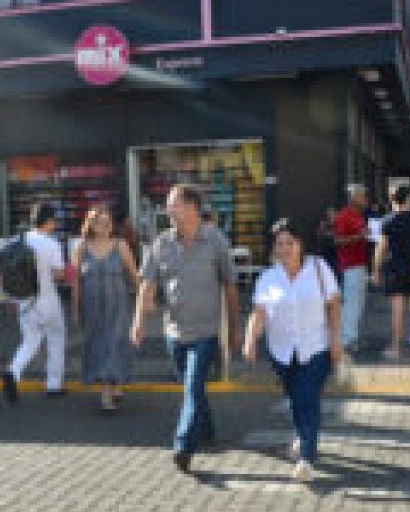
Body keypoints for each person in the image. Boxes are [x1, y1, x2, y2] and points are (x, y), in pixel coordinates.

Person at [131, 184, 240, 474]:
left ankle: (183, 446)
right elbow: (147, 285)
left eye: (174, 204)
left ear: (193, 208)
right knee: (193, 388)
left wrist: (234, 330)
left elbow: (230, 287)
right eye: (168, 204)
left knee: (192, 387)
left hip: (206, 333)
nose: (168, 209)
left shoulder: (216, 240)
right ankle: (207, 429)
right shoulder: (160, 244)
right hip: (174, 333)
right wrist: (138, 321)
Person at [243, 219, 342, 482]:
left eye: (291, 242)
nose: (285, 248)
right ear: (274, 248)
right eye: (280, 244)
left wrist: (335, 340)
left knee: (308, 400)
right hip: (282, 352)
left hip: (316, 347)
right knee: (296, 401)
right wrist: (250, 339)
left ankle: (306, 458)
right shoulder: (267, 278)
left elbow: (334, 305)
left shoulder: (319, 268)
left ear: (301, 245)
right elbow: (259, 313)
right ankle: (303, 436)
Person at [72, 207, 140, 411]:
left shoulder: (121, 245)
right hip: (91, 306)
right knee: (98, 345)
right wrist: (76, 309)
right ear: (91, 225)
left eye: (108, 222)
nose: (105, 226)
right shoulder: (81, 247)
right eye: (100, 222)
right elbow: (75, 281)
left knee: (114, 344)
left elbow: (134, 275)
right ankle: (112, 385)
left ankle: (107, 393)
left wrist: (144, 301)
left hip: (117, 305)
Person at [1, 202, 67, 404]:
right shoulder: (51, 244)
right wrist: (69, 270)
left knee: (30, 341)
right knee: (56, 338)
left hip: (24, 300)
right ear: (48, 221)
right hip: (47, 300)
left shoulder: (15, 240)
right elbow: (59, 274)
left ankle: (13, 371)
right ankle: (54, 385)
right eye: (54, 220)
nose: (55, 224)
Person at [373, 186, 410, 360]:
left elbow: (381, 248)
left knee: (396, 311)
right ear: (408, 200)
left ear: (394, 200)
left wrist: (376, 270)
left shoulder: (388, 220)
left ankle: (395, 349)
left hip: (395, 268)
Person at [333, 184, 369, 354]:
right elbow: (338, 240)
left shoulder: (358, 216)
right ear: (353, 198)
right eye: (362, 196)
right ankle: (347, 340)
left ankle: (351, 337)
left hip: (359, 264)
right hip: (350, 265)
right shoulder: (344, 216)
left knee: (357, 303)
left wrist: (364, 234)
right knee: (351, 303)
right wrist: (358, 237)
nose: (365, 199)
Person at [316, 207, 338, 273]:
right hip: (326, 253)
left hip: (336, 253)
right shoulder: (323, 224)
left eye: (334, 214)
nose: (333, 216)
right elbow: (321, 235)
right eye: (330, 214)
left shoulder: (339, 224)